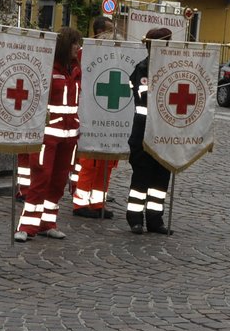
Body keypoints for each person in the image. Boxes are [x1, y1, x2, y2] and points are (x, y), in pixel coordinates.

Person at [16, 27, 82, 242]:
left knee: (58, 181)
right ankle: (27, 226)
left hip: (69, 136)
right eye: (74, 43)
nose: (77, 47)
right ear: (64, 45)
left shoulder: (76, 69)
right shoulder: (47, 68)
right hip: (48, 135)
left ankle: (48, 223)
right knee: (40, 179)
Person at [125, 27, 174, 234]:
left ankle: (155, 220)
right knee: (141, 179)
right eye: (165, 43)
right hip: (144, 133)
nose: (169, 47)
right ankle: (135, 219)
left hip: (164, 134)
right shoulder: (142, 69)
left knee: (161, 180)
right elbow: (144, 97)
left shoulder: (171, 69)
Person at [71, 16, 120, 218]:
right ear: (98, 32)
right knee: (90, 160)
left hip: (111, 115)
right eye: (109, 30)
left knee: (106, 162)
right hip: (90, 114)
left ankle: (98, 202)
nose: (113, 34)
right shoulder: (85, 53)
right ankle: (80, 204)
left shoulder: (116, 54)